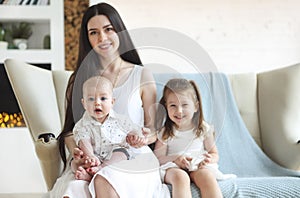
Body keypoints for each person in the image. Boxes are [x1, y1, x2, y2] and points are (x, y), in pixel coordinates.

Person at [48, 2, 169, 198]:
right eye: (93, 32)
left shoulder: (141, 75)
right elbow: (70, 130)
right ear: (87, 38)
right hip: (91, 158)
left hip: (132, 157)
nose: (102, 38)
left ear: (119, 31)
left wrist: (142, 138)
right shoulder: (80, 79)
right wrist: (79, 154)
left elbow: (154, 130)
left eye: (108, 29)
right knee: (74, 190)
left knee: (106, 179)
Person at [154, 78, 235, 198]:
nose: (179, 111)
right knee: (180, 177)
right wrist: (175, 158)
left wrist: (209, 159)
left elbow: (214, 154)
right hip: (173, 167)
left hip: (198, 166)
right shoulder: (166, 132)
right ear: (166, 107)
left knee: (207, 177)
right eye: (173, 105)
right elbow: (158, 158)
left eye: (185, 105)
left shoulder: (203, 128)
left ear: (196, 106)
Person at [72, 76, 146, 182]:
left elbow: (134, 130)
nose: (97, 102)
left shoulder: (121, 120)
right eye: (91, 99)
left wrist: (138, 137)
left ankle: (100, 170)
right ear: (84, 103)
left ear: (112, 102)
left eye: (103, 98)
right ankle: (89, 175)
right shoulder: (82, 125)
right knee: (74, 164)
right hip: (94, 157)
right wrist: (90, 156)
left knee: (122, 152)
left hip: (113, 155)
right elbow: (84, 141)